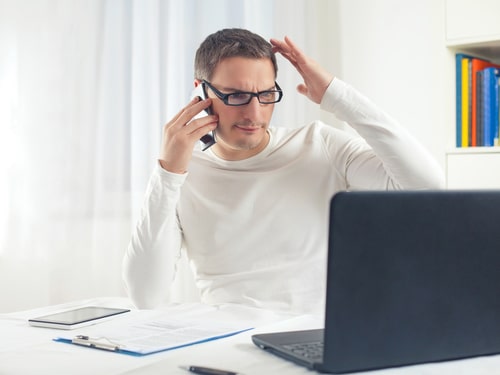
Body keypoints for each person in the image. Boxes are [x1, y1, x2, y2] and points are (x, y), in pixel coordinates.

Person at [122, 28, 444, 314]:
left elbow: (428, 189)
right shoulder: (181, 175)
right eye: (236, 96)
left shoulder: (319, 145)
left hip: (318, 334)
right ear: (202, 92)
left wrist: (336, 95)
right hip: (226, 340)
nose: (254, 114)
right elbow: (145, 296)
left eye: (265, 95)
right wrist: (168, 173)